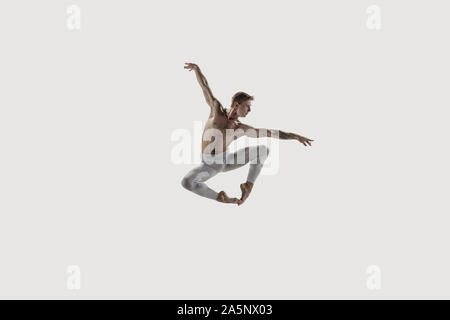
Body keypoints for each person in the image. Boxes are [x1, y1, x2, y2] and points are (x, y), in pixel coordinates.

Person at [181, 63, 314, 205]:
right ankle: (221, 197)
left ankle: (248, 186)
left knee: (263, 150)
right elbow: (205, 87)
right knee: (187, 182)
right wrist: (197, 69)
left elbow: (271, 133)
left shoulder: (241, 128)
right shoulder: (216, 110)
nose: (249, 111)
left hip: (226, 161)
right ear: (237, 105)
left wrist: (294, 136)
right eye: (247, 107)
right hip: (209, 165)